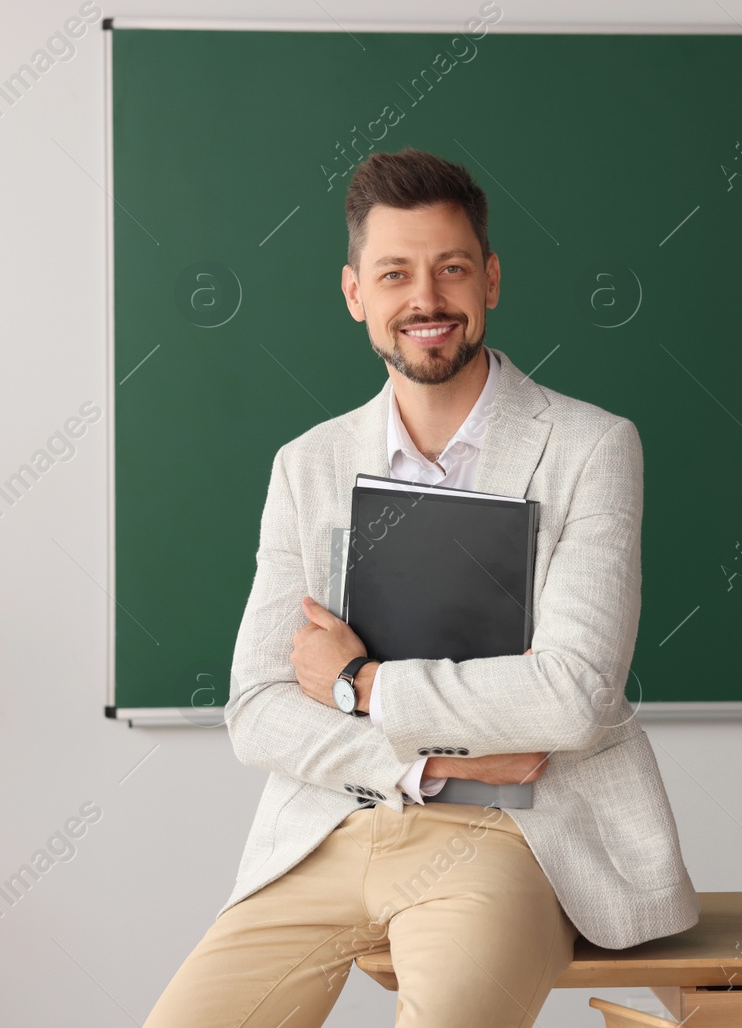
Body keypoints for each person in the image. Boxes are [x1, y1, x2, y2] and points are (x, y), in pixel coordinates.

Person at [143, 148, 699, 1028]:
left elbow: (572, 696)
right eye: (395, 273)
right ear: (356, 293)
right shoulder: (308, 466)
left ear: (491, 279)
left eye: (451, 268)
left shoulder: (593, 447)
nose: (426, 300)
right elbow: (255, 705)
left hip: (512, 835)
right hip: (330, 825)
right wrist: (426, 763)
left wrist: (358, 684)